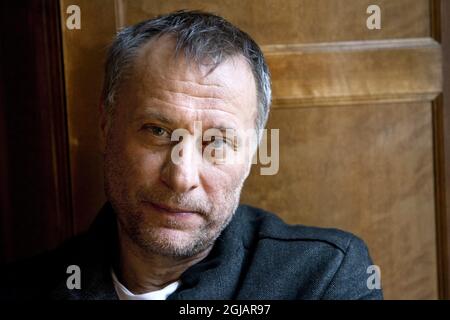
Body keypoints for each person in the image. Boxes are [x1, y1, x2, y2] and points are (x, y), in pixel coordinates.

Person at [0, 10, 382, 300]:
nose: (181, 177)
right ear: (106, 126)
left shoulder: (323, 276)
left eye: (216, 142)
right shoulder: (27, 287)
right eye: (157, 131)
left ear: (251, 153)